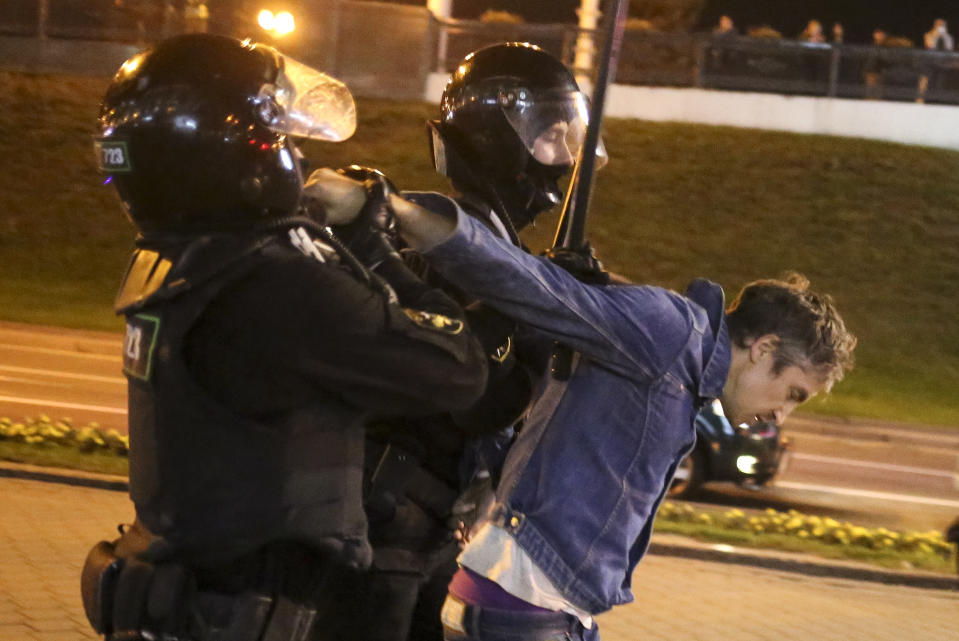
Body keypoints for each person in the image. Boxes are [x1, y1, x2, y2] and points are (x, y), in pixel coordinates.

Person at [80, 33, 489, 641]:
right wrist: (377, 252)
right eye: (281, 136)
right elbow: (459, 369)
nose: (293, 154)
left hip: (192, 595)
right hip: (259, 608)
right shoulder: (278, 285)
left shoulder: (177, 259)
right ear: (235, 152)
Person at [313, 187, 857, 641]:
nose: (781, 415)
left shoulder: (683, 368)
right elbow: (527, 285)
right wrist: (391, 210)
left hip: (549, 610)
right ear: (763, 349)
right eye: (793, 393)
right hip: (519, 608)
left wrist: (489, 470)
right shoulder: (670, 335)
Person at [316, 42, 606, 641]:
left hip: (425, 527)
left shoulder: (495, 250)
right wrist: (529, 317)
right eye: (553, 137)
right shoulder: (454, 246)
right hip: (386, 526)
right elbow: (477, 396)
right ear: (500, 138)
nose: (566, 159)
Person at [918, 18, 955, 102]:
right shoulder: (928, 34)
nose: (940, 27)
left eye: (942, 25)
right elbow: (929, 45)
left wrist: (944, 36)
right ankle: (922, 100)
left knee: (940, 83)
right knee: (926, 82)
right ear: (934, 26)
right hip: (929, 63)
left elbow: (949, 48)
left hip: (942, 64)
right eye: (938, 25)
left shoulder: (948, 37)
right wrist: (935, 34)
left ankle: (936, 101)